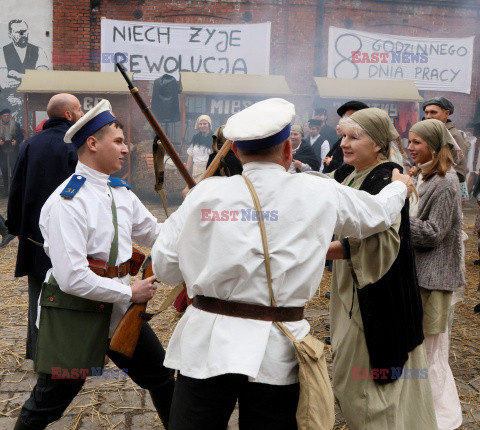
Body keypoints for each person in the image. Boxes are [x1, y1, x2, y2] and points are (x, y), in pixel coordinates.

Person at [150, 98, 414, 429]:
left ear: (236, 152)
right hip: (277, 349)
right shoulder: (318, 191)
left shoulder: (203, 196)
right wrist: (399, 189)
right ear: (288, 149)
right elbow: (376, 215)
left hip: (206, 345)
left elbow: (164, 269)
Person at [14, 99, 175, 430]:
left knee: (160, 377)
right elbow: (73, 279)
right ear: (92, 143)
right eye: (117, 141)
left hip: (117, 310)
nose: (126, 149)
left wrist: (196, 209)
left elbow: (156, 233)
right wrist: (131, 292)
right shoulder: (66, 203)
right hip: (76, 313)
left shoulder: (121, 192)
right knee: (49, 402)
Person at [326, 108, 437, 430]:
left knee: (370, 382)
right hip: (354, 285)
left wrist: (312, 250)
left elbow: (375, 243)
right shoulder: (351, 175)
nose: (344, 144)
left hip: (377, 294)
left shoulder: (386, 178)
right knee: (352, 373)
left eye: (353, 137)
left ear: (377, 144)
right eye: (342, 136)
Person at [6, 93, 83, 361]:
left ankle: (38, 351)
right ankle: (67, 353)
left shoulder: (29, 144)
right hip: (68, 233)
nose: (83, 114)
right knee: (72, 293)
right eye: (80, 109)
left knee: (37, 293)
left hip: (34, 235)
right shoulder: (76, 146)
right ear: (69, 115)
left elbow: (16, 188)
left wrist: (15, 227)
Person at [408, 119, 464, 430]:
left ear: (434, 145)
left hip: (435, 280)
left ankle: (435, 416)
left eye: (416, 142)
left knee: (430, 354)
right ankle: (422, 409)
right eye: (410, 141)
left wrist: (399, 212)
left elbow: (433, 233)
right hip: (422, 276)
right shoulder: (428, 177)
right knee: (424, 351)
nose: (410, 148)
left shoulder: (446, 183)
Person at [0, 20, 49, 120]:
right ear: (10, 34)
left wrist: (18, 75)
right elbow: (4, 83)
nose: (23, 35)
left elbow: (43, 79)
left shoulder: (39, 51)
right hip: (10, 104)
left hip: (33, 102)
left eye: (25, 31)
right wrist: (31, 78)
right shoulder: (2, 52)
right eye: (18, 32)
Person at [422, 97, 468, 184]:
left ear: (446, 113)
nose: (428, 116)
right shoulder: (428, 133)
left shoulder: (453, 136)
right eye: (426, 112)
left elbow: (460, 173)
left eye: (433, 112)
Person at [322, 100, 369, 174]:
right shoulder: (341, 140)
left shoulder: (368, 143)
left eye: (351, 119)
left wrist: (332, 163)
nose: (343, 145)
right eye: (345, 118)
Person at [0, 107, 24, 195]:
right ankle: (6, 190)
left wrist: (16, 141)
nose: (6, 117)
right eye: (4, 116)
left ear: (10, 116)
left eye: (8, 116)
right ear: (1, 117)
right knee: (4, 170)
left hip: (13, 150)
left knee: (14, 169)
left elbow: (21, 136)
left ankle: (14, 190)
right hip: (2, 151)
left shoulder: (15, 125)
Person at [186, 114, 213, 181]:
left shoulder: (214, 138)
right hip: (196, 170)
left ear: (209, 125)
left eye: (205, 123)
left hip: (208, 170)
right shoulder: (195, 138)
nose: (202, 126)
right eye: (200, 124)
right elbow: (190, 155)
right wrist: (186, 170)